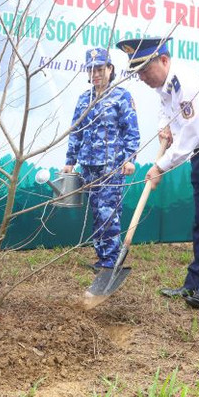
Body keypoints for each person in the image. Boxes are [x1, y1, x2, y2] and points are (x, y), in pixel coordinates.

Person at [116, 37, 199, 310]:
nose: (142, 77)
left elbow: (190, 134)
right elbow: (167, 112)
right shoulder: (165, 87)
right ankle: (194, 283)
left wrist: (160, 167)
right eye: (138, 72)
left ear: (164, 60)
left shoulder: (185, 84)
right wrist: (164, 127)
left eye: (145, 70)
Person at [62, 48, 140, 270]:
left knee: (109, 212)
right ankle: (103, 255)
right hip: (88, 166)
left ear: (110, 69)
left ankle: (110, 259)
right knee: (97, 211)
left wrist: (130, 158)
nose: (95, 74)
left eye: (100, 69)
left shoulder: (121, 96)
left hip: (111, 166)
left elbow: (131, 131)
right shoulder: (83, 99)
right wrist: (70, 160)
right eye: (91, 70)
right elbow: (76, 131)